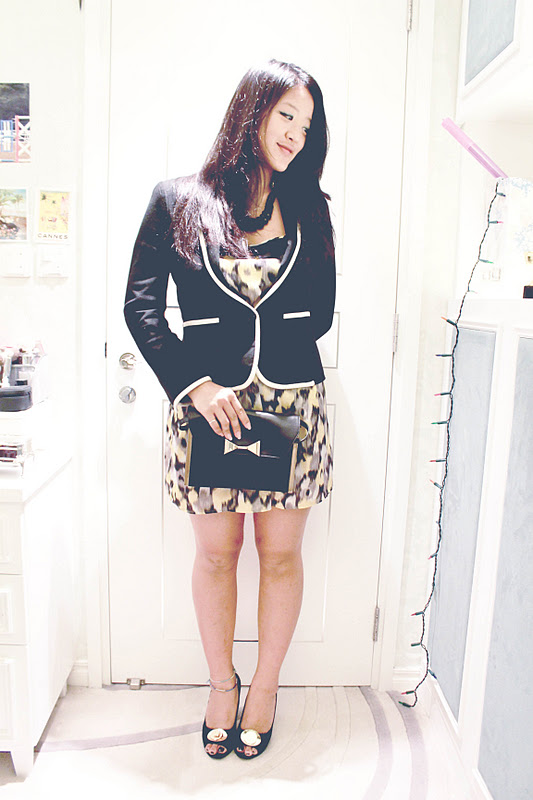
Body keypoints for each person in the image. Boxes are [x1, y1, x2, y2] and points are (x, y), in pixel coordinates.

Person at [124, 59, 335, 760]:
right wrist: (197, 383)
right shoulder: (177, 200)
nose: (296, 134)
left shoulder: (309, 207)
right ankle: (222, 683)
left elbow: (321, 312)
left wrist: (261, 337)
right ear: (253, 109)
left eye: (307, 124)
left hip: (291, 402)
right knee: (217, 556)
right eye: (286, 115)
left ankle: (265, 687)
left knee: (281, 555)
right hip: (206, 405)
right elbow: (141, 308)